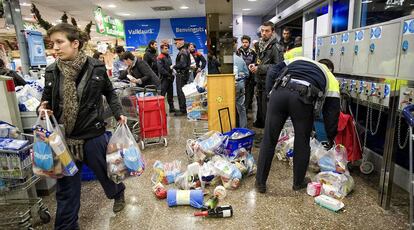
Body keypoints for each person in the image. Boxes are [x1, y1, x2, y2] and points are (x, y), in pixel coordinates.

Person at [38, 23, 128, 229]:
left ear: (75, 43)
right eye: (53, 44)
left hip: (92, 133)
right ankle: (66, 226)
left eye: (60, 42)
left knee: (106, 172)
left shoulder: (95, 67)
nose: (55, 48)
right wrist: (42, 109)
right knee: (66, 189)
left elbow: (110, 92)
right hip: (64, 139)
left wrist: (119, 113)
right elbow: (46, 100)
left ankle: (118, 192)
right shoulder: (52, 71)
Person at [255, 56, 340, 193]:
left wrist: (270, 93)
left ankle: (260, 183)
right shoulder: (331, 78)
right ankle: (298, 183)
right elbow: (332, 111)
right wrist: (330, 136)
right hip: (302, 99)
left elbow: (272, 71)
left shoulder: (298, 59)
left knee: (269, 139)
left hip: (279, 92)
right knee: (302, 140)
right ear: (331, 70)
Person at [248, 21, 284, 129]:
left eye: (267, 31)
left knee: (267, 111)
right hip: (260, 82)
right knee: (260, 108)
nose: (263, 33)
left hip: (269, 84)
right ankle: (262, 128)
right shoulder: (262, 45)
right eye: (262, 31)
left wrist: (259, 68)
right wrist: (254, 65)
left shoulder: (275, 47)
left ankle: (267, 137)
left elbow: (278, 67)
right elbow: (261, 61)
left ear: (273, 32)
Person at [237, 35, 257, 114]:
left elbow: (256, 62)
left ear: (249, 43)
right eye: (243, 42)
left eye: (246, 42)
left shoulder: (253, 52)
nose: (244, 44)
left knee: (249, 95)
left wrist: (253, 65)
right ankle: (241, 113)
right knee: (241, 95)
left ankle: (246, 112)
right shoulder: (238, 52)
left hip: (250, 77)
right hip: (241, 77)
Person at [172, 37, 191, 116]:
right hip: (184, 74)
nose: (176, 45)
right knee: (182, 92)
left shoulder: (182, 52)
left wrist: (174, 66)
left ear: (180, 43)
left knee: (180, 92)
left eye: (176, 43)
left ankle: (182, 110)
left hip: (181, 75)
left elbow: (182, 64)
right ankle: (183, 109)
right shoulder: (185, 50)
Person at [233, 38, 249, 128]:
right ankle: (243, 128)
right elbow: (247, 74)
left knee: (229, 107)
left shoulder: (222, 60)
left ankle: (230, 127)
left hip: (226, 87)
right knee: (241, 108)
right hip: (239, 86)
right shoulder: (240, 60)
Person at [157, 43, 176, 113]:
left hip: (170, 78)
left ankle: (172, 108)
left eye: (168, 48)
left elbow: (170, 66)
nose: (167, 49)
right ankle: (161, 111)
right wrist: (168, 74)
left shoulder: (168, 56)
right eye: (165, 48)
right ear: (161, 49)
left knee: (170, 95)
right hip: (164, 79)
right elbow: (160, 69)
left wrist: (172, 73)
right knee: (162, 96)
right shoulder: (160, 57)